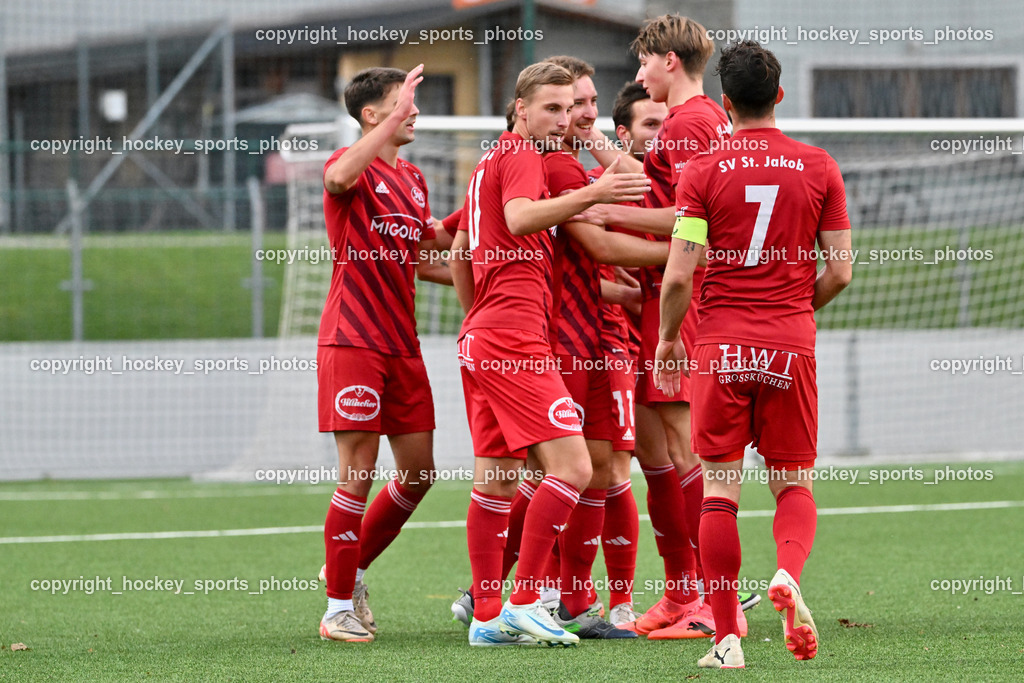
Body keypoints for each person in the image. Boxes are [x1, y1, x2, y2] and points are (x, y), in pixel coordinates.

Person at [655, 40, 853, 668]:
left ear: (724, 102)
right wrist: (792, 313)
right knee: (792, 480)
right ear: (781, 96)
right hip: (790, 342)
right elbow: (841, 271)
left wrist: (666, 340)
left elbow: (680, 274)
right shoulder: (819, 166)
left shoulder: (702, 170)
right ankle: (788, 575)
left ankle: (726, 641)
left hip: (720, 345)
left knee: (719, 490)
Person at [448, 61, 651, 647]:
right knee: (576, 467)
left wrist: (475, 314)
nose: (564, 120)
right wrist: (595, 190)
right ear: (521, 109)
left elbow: (461, 245)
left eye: (571, 109)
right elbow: (517, 218)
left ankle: (487, 616)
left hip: (485, 335)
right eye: (553, 108)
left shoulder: (490, 160)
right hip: (514, 338)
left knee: (497, 478)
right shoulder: (520, 155)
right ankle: (525, 600)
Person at [316, 64, 452, 643]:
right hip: (353, 341)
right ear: (373, 115)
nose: (414, 111)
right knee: (357, 476)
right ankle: (336, 607)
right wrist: (389, 121)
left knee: (420, 473)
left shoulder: (414, 179)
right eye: (403, 104)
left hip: (402, 344)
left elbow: (424, 251)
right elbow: (339, 178)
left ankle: (349, 569)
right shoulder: (349, 167)